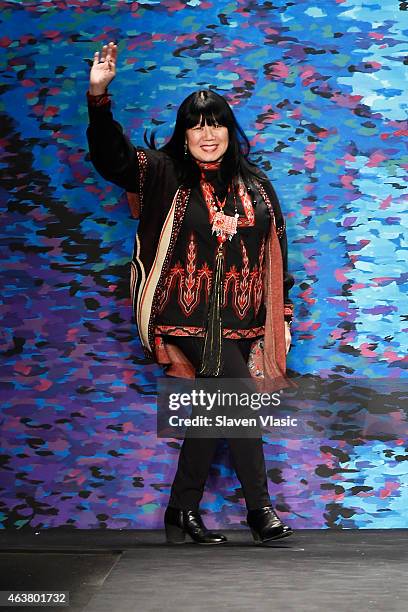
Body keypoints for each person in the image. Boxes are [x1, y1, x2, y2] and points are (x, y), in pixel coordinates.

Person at [86, 41, 295, 545]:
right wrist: (98, 97)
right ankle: (260, 510)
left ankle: (181, 509)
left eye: (216, 122)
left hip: (245, 321)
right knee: (237, 398)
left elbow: (278, 256)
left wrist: (281, 313)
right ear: (184, 132)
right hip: (184, 315)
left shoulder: (257, 185)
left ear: (230, 131)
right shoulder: (162, 173)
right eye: (197, 124)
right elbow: (112, 158)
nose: (208, 133)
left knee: (213, 406)